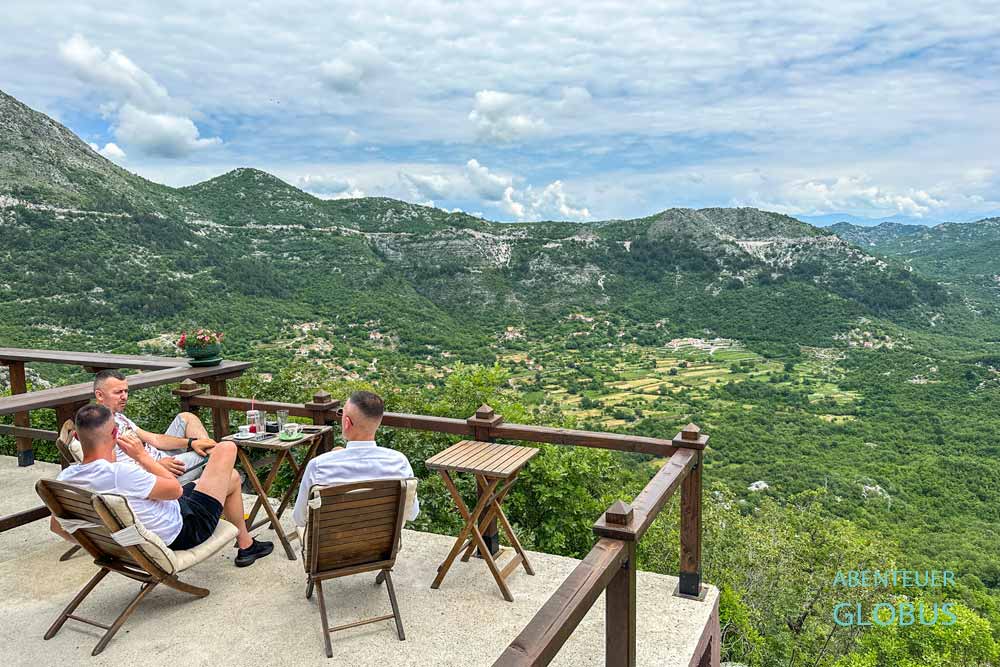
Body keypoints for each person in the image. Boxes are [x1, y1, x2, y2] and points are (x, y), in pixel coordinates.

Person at [52, 403, 273, 567]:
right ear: (114, 434)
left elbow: (56, 526)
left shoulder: (66, 479)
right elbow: (175, 490)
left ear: (77, 437)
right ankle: (246, 545)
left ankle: (246, 546)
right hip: (184, 529)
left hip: (137, 537)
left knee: (231, 478)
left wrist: (103, 545)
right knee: (226, 448)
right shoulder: (122, 473)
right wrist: (142, 457)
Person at [292, 391, 419, 527]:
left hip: (332, 546)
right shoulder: (400, 462)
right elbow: (412, 514)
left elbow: (300, 519)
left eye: (342, 413)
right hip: (381, 546)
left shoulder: (318, 466)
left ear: (346, 422)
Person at [93, 369, 214, 484]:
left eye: (126, 391)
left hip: (158, 458)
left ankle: (213, 462)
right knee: (214, 456)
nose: (124, 397)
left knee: (187, 417)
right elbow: (113, 471)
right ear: (100, 395)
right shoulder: (97, 427)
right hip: (154, 473)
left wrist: (191, 442)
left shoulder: (118, 417)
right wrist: (155, 465)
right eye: (118, 392)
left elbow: (155, 439)